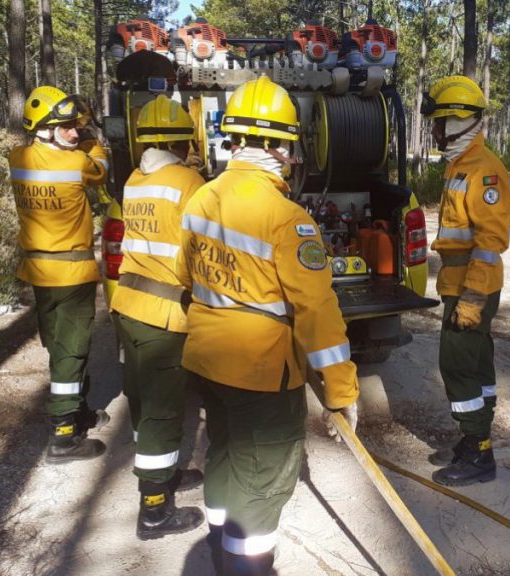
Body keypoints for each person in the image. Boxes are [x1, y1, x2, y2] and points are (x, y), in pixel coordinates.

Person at [176, 76, 359, 576]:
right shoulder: (288, 219)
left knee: (224, 451)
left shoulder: (199, 201)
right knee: (262, 482)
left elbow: (187, 278)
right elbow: (317, 314)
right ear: (282, 146)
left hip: (205, 359)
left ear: (232, 139)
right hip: (261, 373)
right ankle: (247, 567)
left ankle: (219, 547)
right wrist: (342, 390)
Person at [110, 95, 207, 540]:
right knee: (163, 412)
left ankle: (163, 478)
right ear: (183, 141)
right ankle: (154, 510)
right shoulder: (189, 182)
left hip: (128, 306)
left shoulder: (133, 180)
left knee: (143, 399)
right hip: (164, 314)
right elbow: (199, 251)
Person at [9, 85, 110, 463]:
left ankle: (78, 411)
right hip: (70, 271)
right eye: (66, 126)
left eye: (76, 126)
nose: (75, 131)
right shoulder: (77, 163)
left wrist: (71, 138)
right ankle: (63, 434)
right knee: (72, 349)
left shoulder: (17, 157)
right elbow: (101, 172)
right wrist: (92, 143)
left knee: (57, 343)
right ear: (46, 129)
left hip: (37, 269)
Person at [420, 75, 510, 486]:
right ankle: (475, 440)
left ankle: (478, 455)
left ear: (457, 121)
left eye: (439, 122)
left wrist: (472, 299)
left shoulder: (483, 171)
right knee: (476, 365)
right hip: (460, 287)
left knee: (457, 366)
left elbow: (490, 242)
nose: (435, 131)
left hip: (471, 290)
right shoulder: (461, 165)